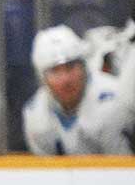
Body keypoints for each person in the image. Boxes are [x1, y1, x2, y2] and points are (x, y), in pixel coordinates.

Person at [22, 25, 135, 155]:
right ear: (42, 78)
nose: (65, 79)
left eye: (70, 67)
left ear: (84, 67)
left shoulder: (116, 102)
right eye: (55, 71)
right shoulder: (36, 115)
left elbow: (123, 170)